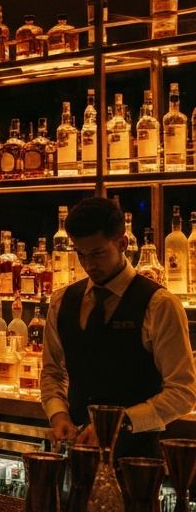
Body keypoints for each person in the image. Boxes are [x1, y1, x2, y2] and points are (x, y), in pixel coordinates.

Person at [41, 196, 196, 458]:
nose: (89, 265)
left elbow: (182, 393)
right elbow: (52, 373)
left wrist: (119, 423)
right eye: (81, 254)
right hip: (79, 456)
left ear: (123, 243)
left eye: (98, 253)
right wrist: (58, 415)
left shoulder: (159, 304)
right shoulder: (62, 301)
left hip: (136, 460)